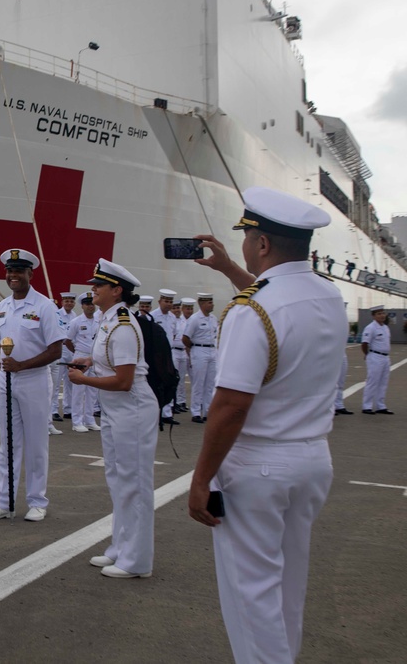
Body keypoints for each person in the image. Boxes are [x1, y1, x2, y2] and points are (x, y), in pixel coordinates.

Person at [188, 186, 344, 664]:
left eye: (247, 236)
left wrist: (199, 479)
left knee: (252, 597)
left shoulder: (249, 311)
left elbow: (231, 403)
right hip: (312, 458)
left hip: (258, 468)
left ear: (261, 245)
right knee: (285, 590)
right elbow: (275, 302)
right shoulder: (328, 295)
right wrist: (228, 271)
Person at [69, 259, 158, 578]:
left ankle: (137, 561)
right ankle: (120, 548)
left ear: (116, 290)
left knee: (134, 485)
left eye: (99, 285)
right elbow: (108, 361)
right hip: (115, 409)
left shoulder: (123, 325)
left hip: (132, 409)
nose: (92, 289)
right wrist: (88, 361)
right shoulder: (109, 321)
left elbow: (124, 380)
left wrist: (84, 380)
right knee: (119, 481)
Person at [0, 249, 64, 523]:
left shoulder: (44, 307)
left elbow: (56, 350)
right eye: (9, 271)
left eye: (18, 271)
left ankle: (37, 501)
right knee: (7, 444)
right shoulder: (3, 306)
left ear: (30, 274)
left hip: (34, 381)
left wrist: (22, 366)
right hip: (6, 383)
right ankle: (4, 501)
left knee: (37, 444)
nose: (12, 276)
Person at [64, 292, 100, 432]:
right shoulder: (76, 322)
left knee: (92, 391)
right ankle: (77, 421)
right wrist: (76, 353)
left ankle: (89, 420)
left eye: (92, 304)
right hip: (80, 356)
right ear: (82, 306)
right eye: (87, 304)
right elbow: (67, 340)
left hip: (94, 358)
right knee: (78, 391)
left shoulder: (99, 320)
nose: (90, 307)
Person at [183, 293, 217, 423]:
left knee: (210, 384)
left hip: (212, 350)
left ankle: (207, 411)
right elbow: (185, 338)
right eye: (209, 302)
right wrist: (193, 348)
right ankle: (196, 412)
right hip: (199, 350)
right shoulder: (194, 319)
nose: (212, 304)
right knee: (198, 383)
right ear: (202, 304)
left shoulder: (213, 318)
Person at [152, 288, 179, 426]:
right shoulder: (153, 316)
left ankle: (167, 413)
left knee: (169, 381)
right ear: (160, 301)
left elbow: (173, 334)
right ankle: (156, 413)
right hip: (157, 353)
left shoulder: (173, 317)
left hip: (170, 353)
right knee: (157, 382)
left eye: (170, 301)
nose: (168, 304)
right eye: (166, 301)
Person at [50, 291, 78, 424]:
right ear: (62, 302)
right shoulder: (56, 315)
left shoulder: (75, 316)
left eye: (71, 301)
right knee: (56, 383)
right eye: (66, 301)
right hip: (60, 350)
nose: (69, 303)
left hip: (71, 351)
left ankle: (68, 409)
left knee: (70, 382)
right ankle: (53, 410)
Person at [361, 305, 393, 414]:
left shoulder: (385, 327)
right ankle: (367, 406)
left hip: (385, 357)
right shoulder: (371, 328)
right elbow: (365, 343)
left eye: (383, 313)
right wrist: (367, 354)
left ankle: (381, 406)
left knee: (383, 382)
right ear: (373, 316)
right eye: (379, 314)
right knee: (372, 381)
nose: (382, 315)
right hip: (375, 356)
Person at [170, 297, 191, 414]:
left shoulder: (184, 321)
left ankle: (181, 401)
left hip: (183, 352)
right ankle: (173, 402)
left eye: (178, 308)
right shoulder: (171, 320)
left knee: (182, 378)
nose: (177, 310)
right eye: (174, 308)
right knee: (175, 378)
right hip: (174, 351)